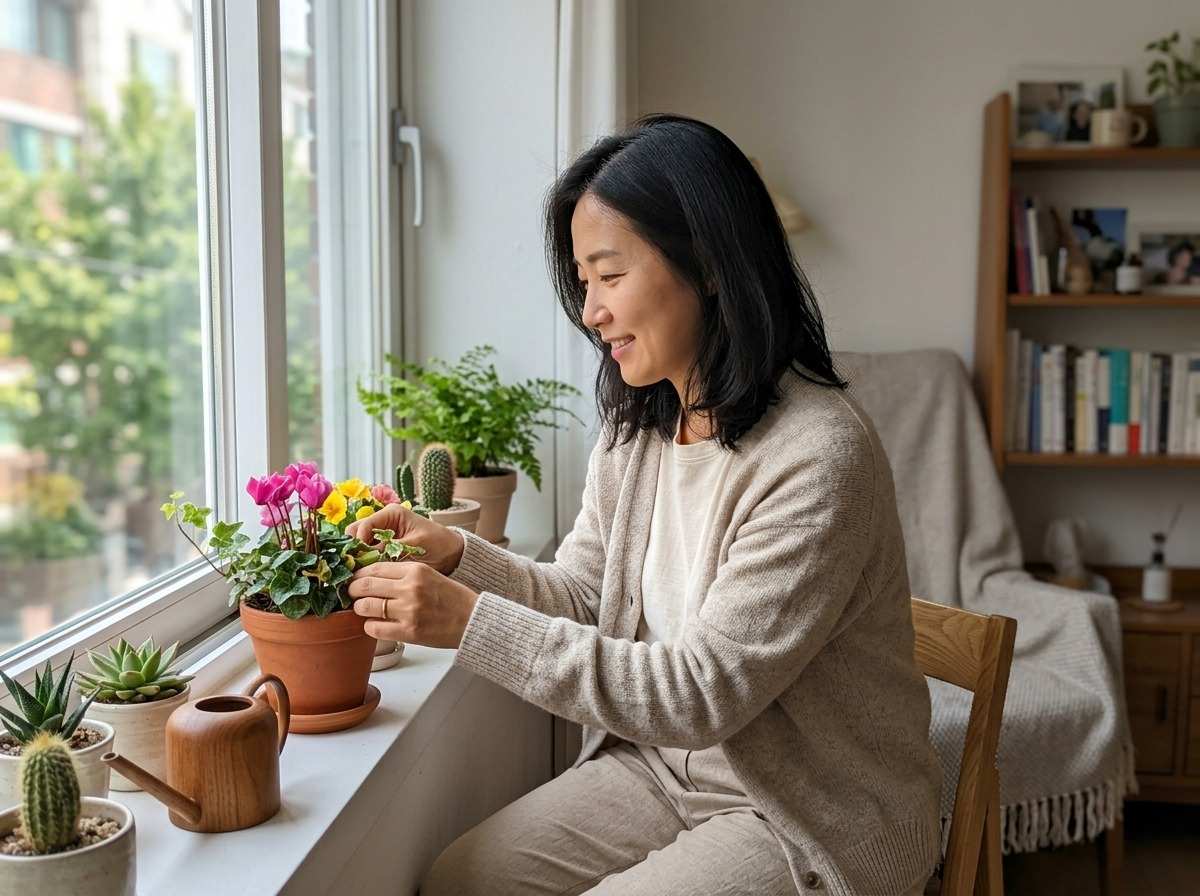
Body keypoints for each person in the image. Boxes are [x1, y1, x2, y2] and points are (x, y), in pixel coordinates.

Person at [347, 114, 942, 896]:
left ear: (710, 263)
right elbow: (585, 598)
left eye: (610, 274)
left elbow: (699, 695)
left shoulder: (818, 457)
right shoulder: (642, 428)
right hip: (663, 775)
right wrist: (460, 556)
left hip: (805, 813)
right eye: (583, 282)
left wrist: (467, 623)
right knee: (463, 882)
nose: (591, 312)